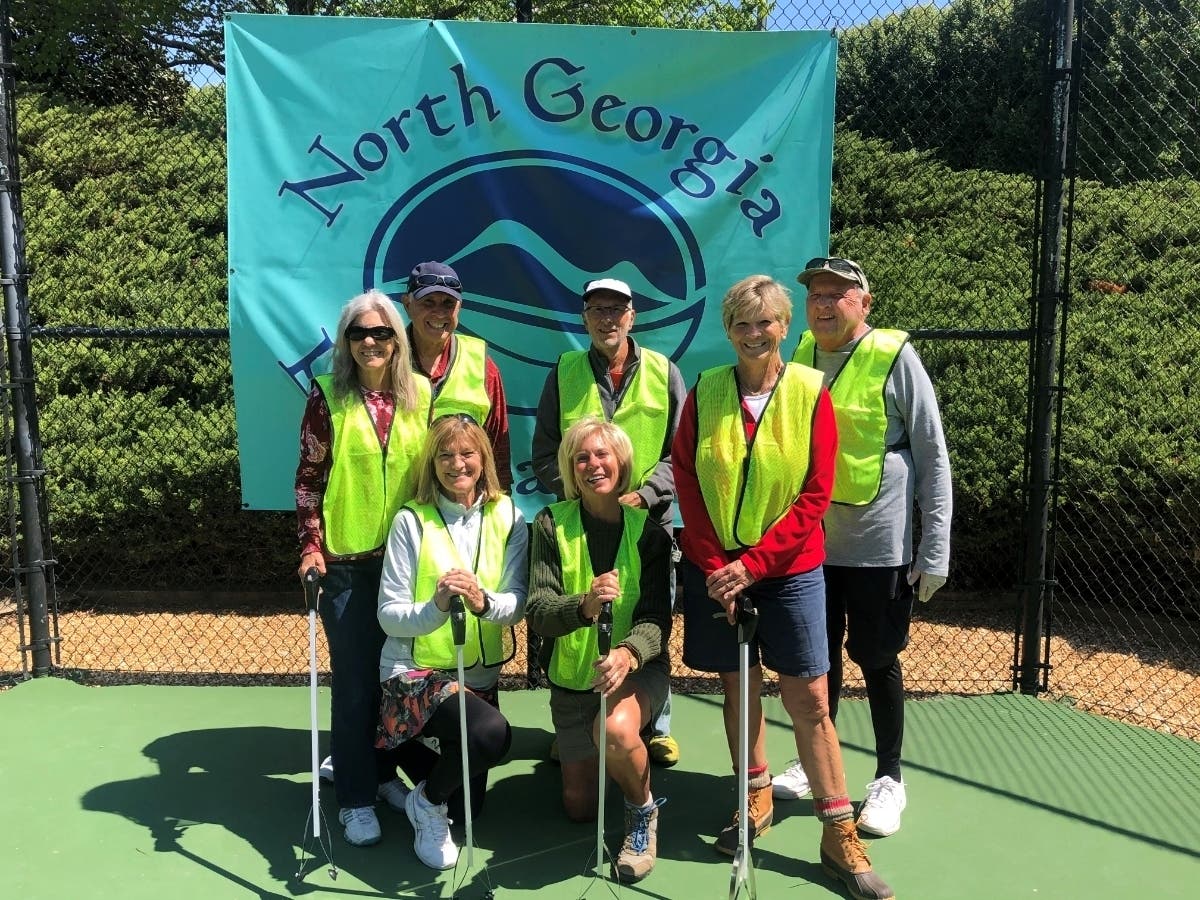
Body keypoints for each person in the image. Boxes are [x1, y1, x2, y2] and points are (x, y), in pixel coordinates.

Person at [672, 275, 895, 900]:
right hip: (718, 570)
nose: (752, 334)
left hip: (790, 570)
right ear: (728, 329)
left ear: (783, 327)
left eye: (765, 323)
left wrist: (756, 564)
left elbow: (816, 494)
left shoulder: (808, 390)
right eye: (741, 324)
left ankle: (837, 831)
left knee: (811, 700)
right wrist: (717, 563)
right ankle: (754, 792)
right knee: (739, 688)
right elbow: (686, 477)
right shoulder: (707, 390)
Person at [772, 257, 951, 839]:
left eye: (838, 295)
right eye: (816, 295)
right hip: (808, 546)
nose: (824, 304)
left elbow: (932, 454)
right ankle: (814, 761)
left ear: (863, 303)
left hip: (878, 548)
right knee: (812, 663)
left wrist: (935, 550)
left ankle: (889, 779)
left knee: (876, 660)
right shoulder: (796, 353)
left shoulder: (895, 356)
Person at [531, 276, 686, 767]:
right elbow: (545, 453)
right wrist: (580, 501)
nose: (607, 319)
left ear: (632, 316)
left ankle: (653, 724)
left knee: (646, 614)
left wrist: (646, 495)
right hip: (584, 526)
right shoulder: (564, 371)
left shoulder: (665, 372)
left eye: (616, 310)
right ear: (584, 318)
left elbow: (679, 454)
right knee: (581, 611)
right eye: (597, 310)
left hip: (646, 526)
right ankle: (576, 725)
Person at [295, 289, 430, 847]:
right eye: (359, 333)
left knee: (397, 683)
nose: (370, 342)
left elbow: (434, 475)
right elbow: (309, 480)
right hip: (346, 569)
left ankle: (383, 776)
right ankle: (353, 796)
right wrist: (310, 546)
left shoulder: (421, 393)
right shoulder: (327, 396)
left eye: (381, 333)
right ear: (346, 342)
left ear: (398, 339)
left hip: (406, 567)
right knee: (354, 688)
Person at [375, 413, 528, 870]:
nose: (456, 464)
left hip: (475, 673)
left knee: (469, 808)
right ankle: (421, 800)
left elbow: (517, 603)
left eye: (467, 453)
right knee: (490, 732)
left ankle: (407, 777)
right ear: (431, 462)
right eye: (444, 454)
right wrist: (437, 605)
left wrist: (482, 602)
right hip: (414, 672)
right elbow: (388, 615)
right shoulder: (411, 520)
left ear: (483, 458)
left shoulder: (509, 515)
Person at [526, 418, 672, 884]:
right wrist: (584, 605)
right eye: (582, 457)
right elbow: (539, 610)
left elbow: (657, 621)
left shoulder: (648, 532)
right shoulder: (550, 524)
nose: (594, 465)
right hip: (573, 680)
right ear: (571, 468)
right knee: (579, 808)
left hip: (633, 673)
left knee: (612, 728)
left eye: (603, 455)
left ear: (622, 462)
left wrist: (628, 654)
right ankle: (615, 750)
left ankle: (641, 810)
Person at [401, 261, 513, 490]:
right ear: (407, 304)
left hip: (460, 507)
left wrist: (500, 502)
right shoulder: (386, 361)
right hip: (397, 501)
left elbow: (497, 448)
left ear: (459, 308)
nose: (439, 313)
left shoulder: (483, 366)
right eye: (428, 302)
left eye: (448, 304)